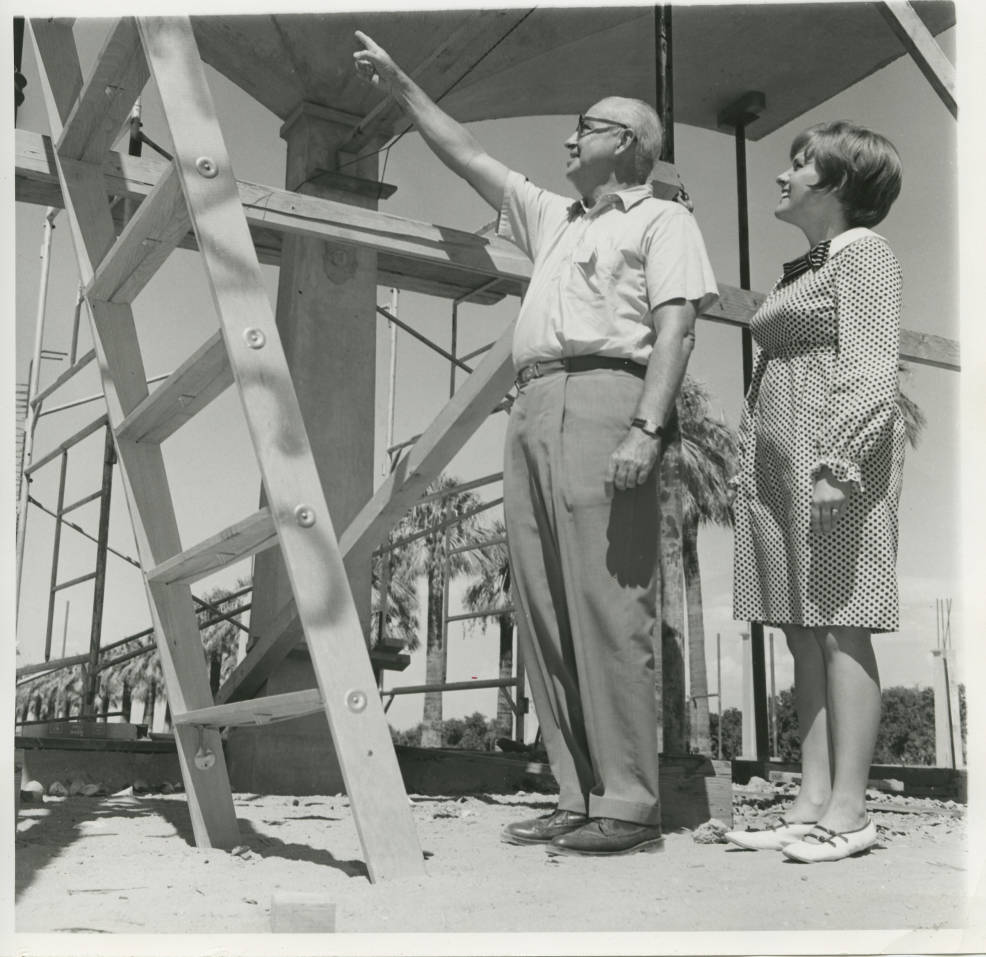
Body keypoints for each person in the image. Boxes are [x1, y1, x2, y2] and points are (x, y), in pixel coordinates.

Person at [354, 32, 718, 856]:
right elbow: (470, 156)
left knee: (608, 600)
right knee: (546, 604)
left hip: (607, 397)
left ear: (624, 143)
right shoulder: (556, 219)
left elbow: (675, 332)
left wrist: (647, 427)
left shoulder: (663, 220)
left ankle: (627, 803)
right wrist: (403, 85)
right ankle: (576, 789)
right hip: (533, 404)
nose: (566, 139)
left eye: (583, 127)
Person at [727, 121, 904, 862]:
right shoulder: (803, 266)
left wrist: (839, 460)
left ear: (836, 184)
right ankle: (810, 800)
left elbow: (871, 365)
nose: (783, 175)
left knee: (841, 618)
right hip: (781, 447)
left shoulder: (863, 254)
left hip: (831, 449)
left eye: (800, 164)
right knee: (801, 625)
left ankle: (851, 811)